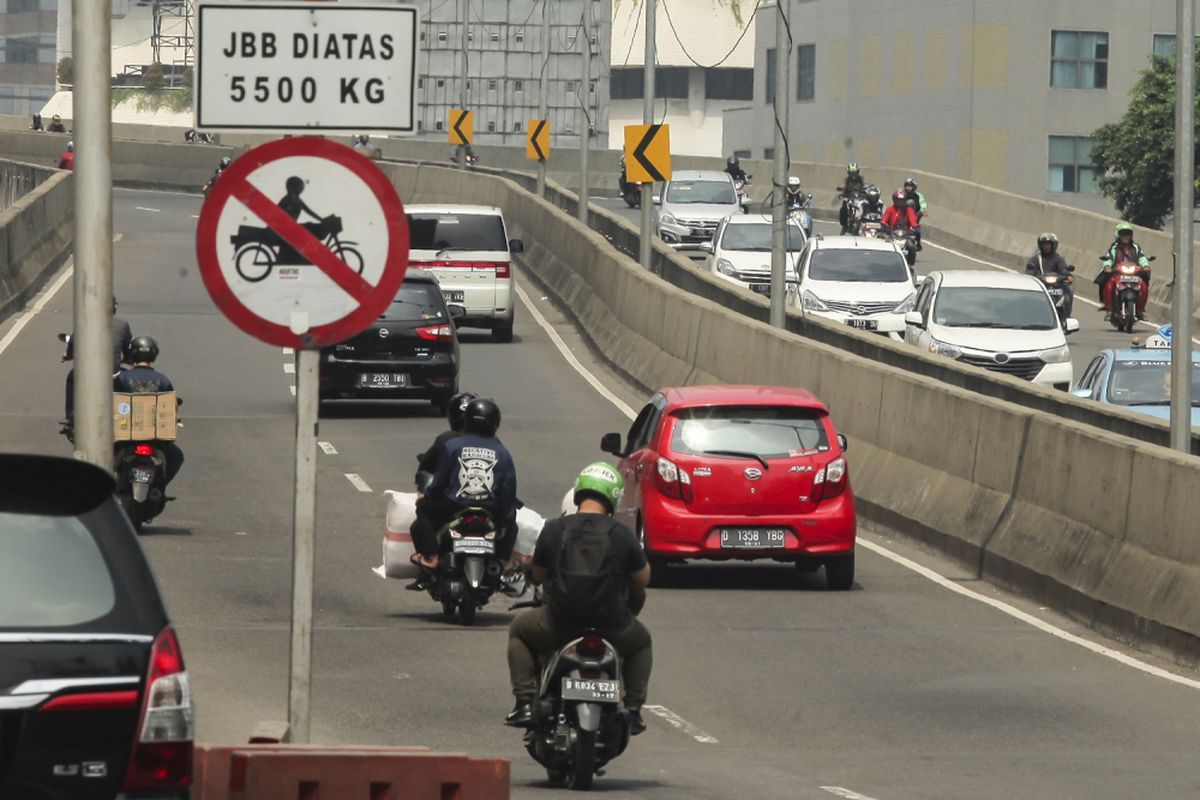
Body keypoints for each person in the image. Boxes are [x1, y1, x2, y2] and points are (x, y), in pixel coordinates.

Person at [504, 462, 652, 735]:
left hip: (560, 624)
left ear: (578, 493)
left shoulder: (554, 528)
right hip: (612, 626)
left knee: (519, 631)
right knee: (641, 642)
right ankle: (633, 710)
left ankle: (525, 701)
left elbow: (538, 574)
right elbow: (642, 579)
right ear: (613, 497)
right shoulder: (622, 534)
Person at [409, 397, 518, 569]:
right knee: (512, 521)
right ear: (495, 423)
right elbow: (508, 490)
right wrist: (505, 520)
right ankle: (504, 561)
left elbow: (439, 483)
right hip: (490, 509)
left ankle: (432, 556)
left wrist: (428, 495)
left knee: (423, 508)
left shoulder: (452, 446)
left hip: (454, 506)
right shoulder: (502, 451)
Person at [114, 336, 184, 489]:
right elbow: (174, 409)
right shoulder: (163, 380)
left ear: (132, 354)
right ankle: (160, 486)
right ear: (154, 355)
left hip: (126, 436)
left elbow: (112, 402)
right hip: (155, 437)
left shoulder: (122, 378)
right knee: (176, 456)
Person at [63, 298, 133, 424]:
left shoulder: (84, 322)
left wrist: (67, 355)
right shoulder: (123, 324)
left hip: (87, 375)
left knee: (72, 377)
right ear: (115, 307)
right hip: (113, 375)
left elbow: (73, 344)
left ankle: (70, 416)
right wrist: (127, 359)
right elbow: (128, 349)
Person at [1099, 222, 1151, 320]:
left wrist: (1145, 266)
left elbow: (1142, 258)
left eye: (1128, 234)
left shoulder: (1136, 247)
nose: (1125, 236)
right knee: (1109, 284)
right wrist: (1107, 266)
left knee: (1144, 286)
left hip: (1135, 274)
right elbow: (1108, 258)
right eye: (1123, 234)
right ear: (1118, 235)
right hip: (1117, 273)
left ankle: (1140, 310)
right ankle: (1109, 309)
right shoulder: (1113, 248)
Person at [1025, 232, 1073, 316]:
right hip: (1041, 284)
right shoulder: (1035, 259)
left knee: (1070, 290)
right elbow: (1029, 270)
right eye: (1045, 244)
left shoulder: (1059, 259)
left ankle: (1067, 315)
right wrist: (1033, 274)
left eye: (1048, 245)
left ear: (1053, 245)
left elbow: (1064, 270)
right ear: (1041, 245)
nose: (1047, 247)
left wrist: (1069, 276)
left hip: (1057, 284)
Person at [838, 163, 866, 233]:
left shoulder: (861, 179)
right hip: (849, 197)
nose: (853, 175)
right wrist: (843, 195)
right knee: (843, 208)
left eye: (854, 173)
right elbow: (844, 188)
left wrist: (865, 193)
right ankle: (844, 226)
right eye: (851, 173)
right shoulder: (847, 180)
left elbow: (864, 187)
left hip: (858, 197)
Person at [902, 178, 927, 249]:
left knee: (917, 230)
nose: (908, 188)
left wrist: (922, 211)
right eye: (907, 186)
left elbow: (923, 204)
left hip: (915, 215)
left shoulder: (918, 196)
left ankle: (918, 242)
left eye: (910, 186)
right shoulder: (902, 194)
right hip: (903, 215)